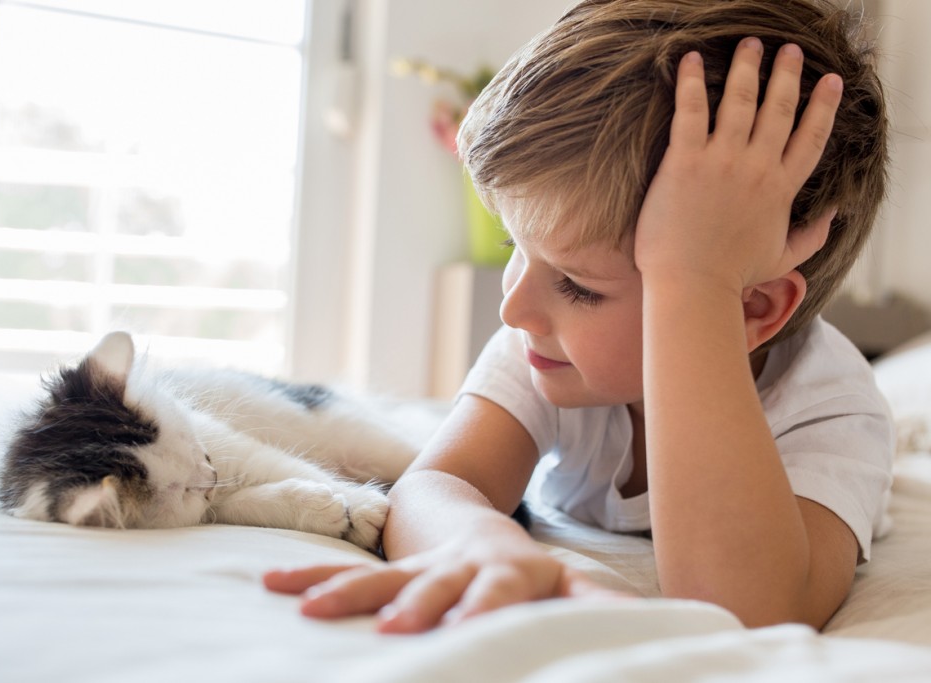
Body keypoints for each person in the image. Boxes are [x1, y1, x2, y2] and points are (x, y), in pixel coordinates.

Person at [264, 0, 892, 632]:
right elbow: (431, 489)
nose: (515, 308)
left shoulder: (829, 405)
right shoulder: (547, 346)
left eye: (577, 284)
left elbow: (746, 610)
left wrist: (697, 282)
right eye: (516, 248)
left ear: (750, 307)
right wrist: (479, 542)